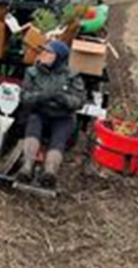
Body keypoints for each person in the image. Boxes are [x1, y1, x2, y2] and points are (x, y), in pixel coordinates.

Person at [18, 40, 86, 188]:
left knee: (59, 139)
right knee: (33, 124)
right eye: (43, 51)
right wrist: (43, 96)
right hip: (40, 113)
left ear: (59, 57)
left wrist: (62, 98)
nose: (43, 54)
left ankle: (50, 172)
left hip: (62, 117)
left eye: (49, 52)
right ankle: (27, 166)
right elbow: (24, 97)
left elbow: (79, 101)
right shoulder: (33, 72)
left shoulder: (72, 76)